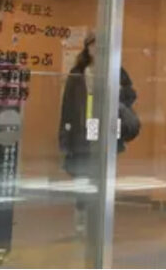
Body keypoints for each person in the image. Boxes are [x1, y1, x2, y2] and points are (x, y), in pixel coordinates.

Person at [59, 33, 138, 232]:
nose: (97, 49)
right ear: (87, 48)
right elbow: (68, 105)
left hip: (107, 124)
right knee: (84, 172)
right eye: (93, 45)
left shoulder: (116, 70)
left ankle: (100, 217)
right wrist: (65, 136)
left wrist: (119, 96)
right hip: (87, 124)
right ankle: (82, 215)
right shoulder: (79, 72)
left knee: (102, 171)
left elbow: (130, 95)